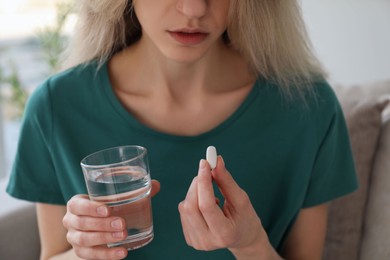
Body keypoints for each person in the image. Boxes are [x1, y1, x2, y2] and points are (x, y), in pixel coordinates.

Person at [6, 0, 357, 259]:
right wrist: (85, 251)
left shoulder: (307, 107)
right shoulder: (57, 107)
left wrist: (250, 244)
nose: (193, 9)